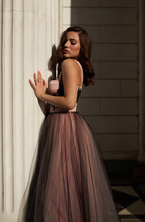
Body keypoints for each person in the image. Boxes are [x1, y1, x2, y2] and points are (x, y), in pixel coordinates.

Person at [18, 26, 120, 221]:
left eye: (72, 42)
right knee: (67, 184)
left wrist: (42, 94)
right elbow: (54, 107)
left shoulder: (69, 64)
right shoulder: (67, 66)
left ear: (82, 48)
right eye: (65, 40)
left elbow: (69, 102)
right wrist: (44, 96)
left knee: (59, 185)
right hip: (61, 124)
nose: (66, 44)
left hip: (65, 125)